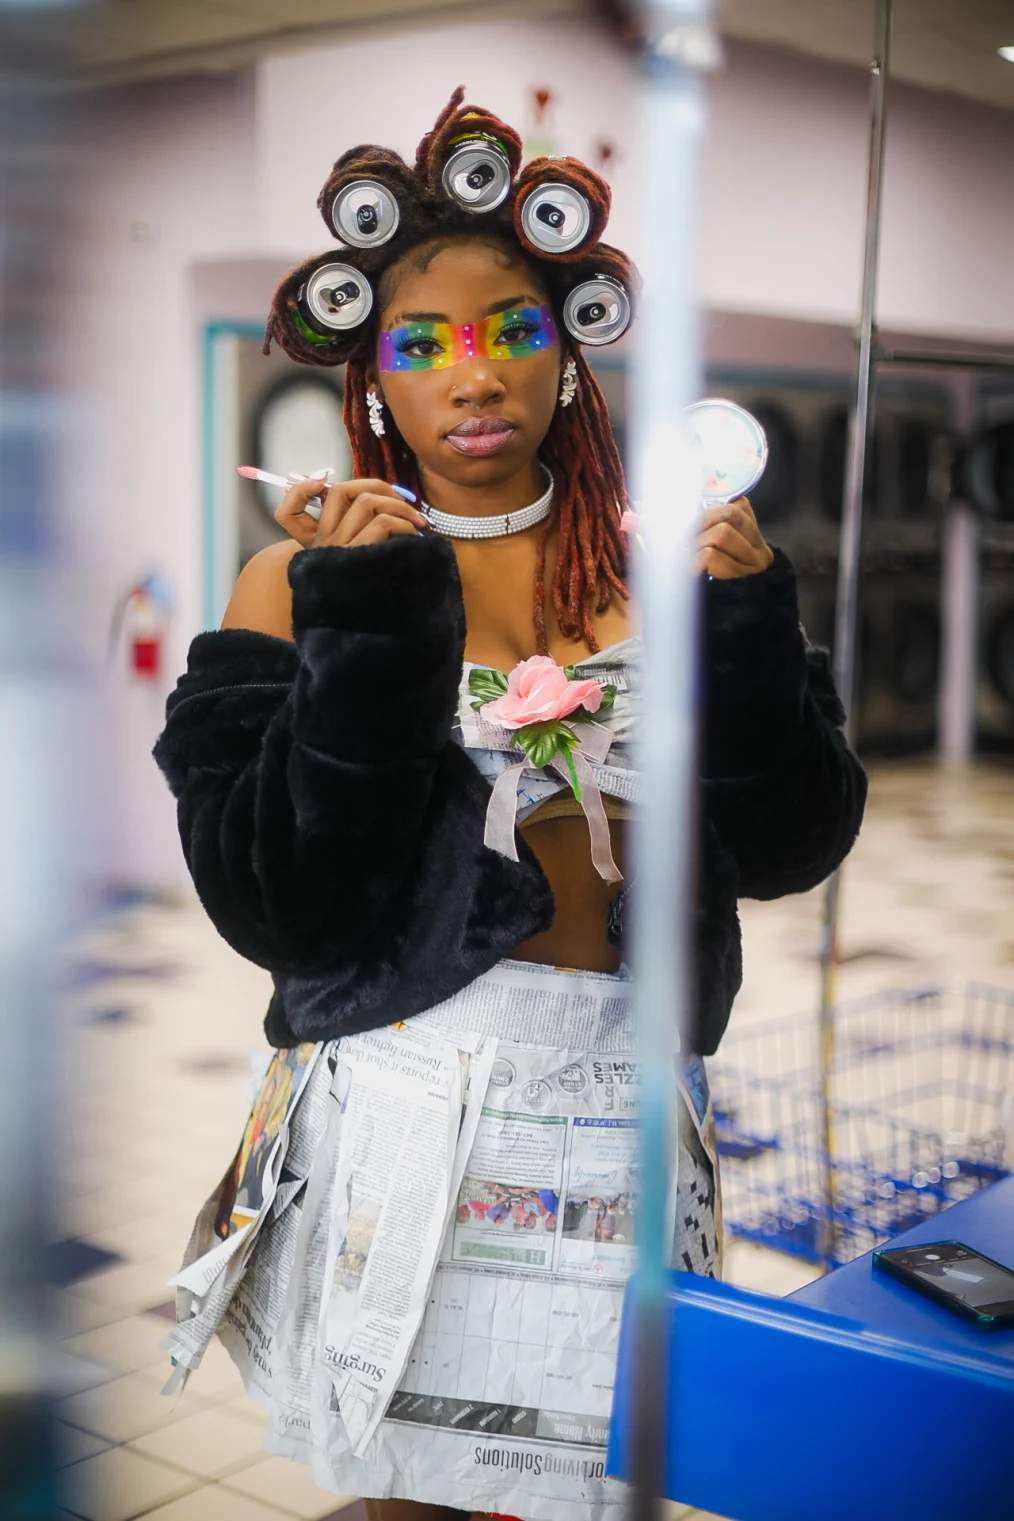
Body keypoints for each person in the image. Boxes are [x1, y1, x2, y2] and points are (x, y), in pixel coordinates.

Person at [154, 89, 866, 1521]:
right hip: (407, 1096)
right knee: (405, 1493)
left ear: (570, 357)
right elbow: (273, 907)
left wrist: (736, 632)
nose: (470, 378)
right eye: (421, 348)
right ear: (375, 387)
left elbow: (794, 844)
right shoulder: (289, 586)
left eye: (509, 334)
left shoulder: (667, 564)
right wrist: (363, 630)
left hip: (622, 1084)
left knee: (601, 1483)